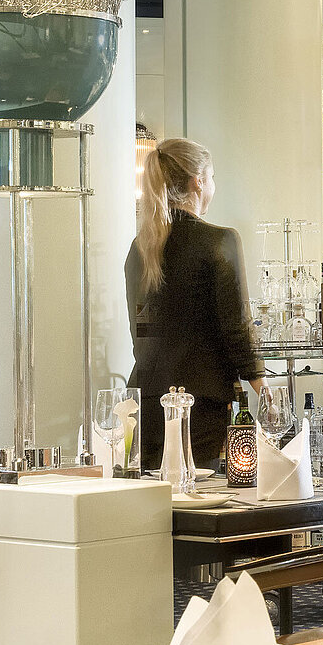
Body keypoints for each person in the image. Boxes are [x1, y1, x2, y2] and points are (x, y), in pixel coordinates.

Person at [126, 138, 266, 471]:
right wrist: (260, 382)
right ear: (197, 181)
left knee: (153, 502)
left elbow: (140, 331)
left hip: (143, 398)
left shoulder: (140, 247)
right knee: (195, 495)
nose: (212, 187)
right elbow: (237, 323)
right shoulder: (220, 240)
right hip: (198, 401)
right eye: (212, 177)